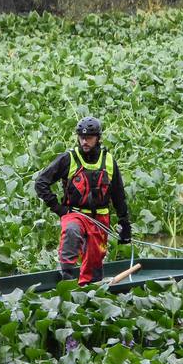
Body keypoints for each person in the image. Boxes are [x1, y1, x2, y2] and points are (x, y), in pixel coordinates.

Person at [34, 116, 131, 284]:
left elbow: (118, 194)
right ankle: (67, 278)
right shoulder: (68, 158)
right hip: (75, 213)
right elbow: (41, 183)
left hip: (100, 217)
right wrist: (58, 208)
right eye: (81, 137)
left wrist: (124, 222)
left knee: (95, 258)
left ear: (98, 139)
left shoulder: (108, 161)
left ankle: (89, 286)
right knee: (71, 231)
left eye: (89, 138)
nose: (84, 141)